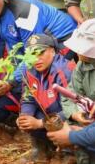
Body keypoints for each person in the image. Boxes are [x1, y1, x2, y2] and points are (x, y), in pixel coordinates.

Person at [16, 34, 75, 163]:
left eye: (40, 52)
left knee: (67, 116)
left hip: (69, 118)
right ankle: (42, 149)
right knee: (29, 117)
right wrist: (25, 116)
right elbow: (28, 98)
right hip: (49, 114)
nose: (36, 59)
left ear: (52, 51)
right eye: (31, 54)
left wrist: (39, 123)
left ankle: (68, 152)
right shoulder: (30, 70)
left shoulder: (64, 71)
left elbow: (72, 110)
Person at [48, 19, 95, 163]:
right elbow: (70, 94)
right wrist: (76, 114)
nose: (78, 52)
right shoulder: (82, 65)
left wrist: (72, 137)